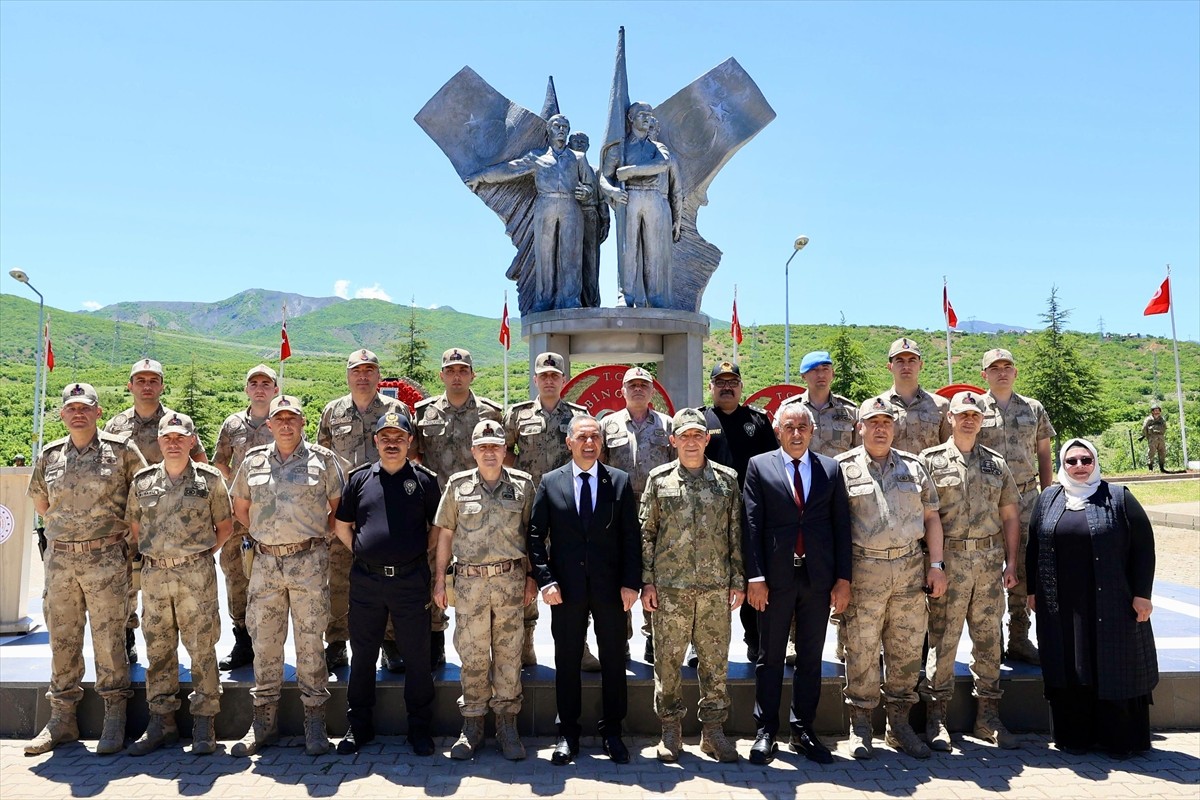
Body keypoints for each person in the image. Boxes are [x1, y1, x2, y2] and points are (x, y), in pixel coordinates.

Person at [24, 383, 148, 756]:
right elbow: (42, 504)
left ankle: (115, 718)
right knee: (62, 640)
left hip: (106, 558)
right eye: (71, 408)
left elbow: (143, 496)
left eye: (85, 407)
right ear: (62, 414)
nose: (78, 413)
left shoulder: (122, 451)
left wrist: (125, 542)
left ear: (98, 412)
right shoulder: (49, 456)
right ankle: (62, 719)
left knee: (110, 640)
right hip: (61, 562)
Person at [230, 395, 346, 757]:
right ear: (269, 425)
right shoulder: (253, 461)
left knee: (311, 643)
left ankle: (315, 722)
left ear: (302, 422)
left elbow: (338, 510)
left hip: (308, 561)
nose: (284, 424)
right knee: (265, 642)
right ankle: (263, 721)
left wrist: (314, 538)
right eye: (278, 419)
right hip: (265, 564)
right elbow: (241, 508)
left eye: (291, 418)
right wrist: (268, 538)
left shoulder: (323, 461)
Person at [1027, 438, 1158, 758]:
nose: (1079, 467)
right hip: (1062, 605)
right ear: (1062, 464)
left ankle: (1119, 741)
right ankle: (1076, 737)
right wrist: (1032, 591)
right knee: (1071, 665)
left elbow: (1144, 547)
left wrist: (1142, 595)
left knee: (1115, 665)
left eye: (1086, 460)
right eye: (1071, 461)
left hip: (1113, 601)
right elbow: (1034, 547)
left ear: (1095, 461)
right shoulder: (1049, 498)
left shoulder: (1118, 497)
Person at [836, 397, 947, 760]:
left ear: (894, 427)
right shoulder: (841, 469)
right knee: (862, 651)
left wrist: (937, 566)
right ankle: (862, 727)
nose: (880, 428)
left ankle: (899, 726)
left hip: (909, 570)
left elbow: (931, 518)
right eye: (873, 422)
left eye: (886, 422)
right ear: (860, 427)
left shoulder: (915, 467)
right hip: (864, 570)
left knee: (906, 650)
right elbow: (832, 528)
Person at [528, 416, 641, 765]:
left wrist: (631, 583)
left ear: (602, 443)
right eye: (582, 437)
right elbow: (535, 536)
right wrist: (546, 580)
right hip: (566, 590)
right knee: (566, 661)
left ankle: (612, 733)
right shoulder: (550, 482)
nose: (589, 443)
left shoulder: (619, 482)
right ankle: (568, 735)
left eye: (595, 437)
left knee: (612, 661)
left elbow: (630, 539)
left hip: (610, 591)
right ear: (569, 442)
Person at [743, 403, 850, 765]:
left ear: (812, 430)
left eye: (803, 426)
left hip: (817, 579)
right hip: (774, 580)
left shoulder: (831, 470)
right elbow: (752, 526)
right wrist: (755, 577)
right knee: (769, 657)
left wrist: (843, 579)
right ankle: (766, 731)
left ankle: (803, 730)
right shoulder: (759, 466)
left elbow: (841, 527)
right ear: (778, 430)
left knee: (810, 658)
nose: (797, 432)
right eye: (790, 426)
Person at [640, 408, 745, 763]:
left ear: (706, 439)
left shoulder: (728, 480)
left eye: (696, 435)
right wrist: (647, 582)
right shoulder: (659, 479)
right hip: (670, 590)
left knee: (715, 663)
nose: (690, 442)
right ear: (673, 441)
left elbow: (735, 535)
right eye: (683, 436)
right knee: (667, 664)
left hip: (715, 588)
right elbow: (647, 534)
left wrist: (737, 581)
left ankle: (713, 731)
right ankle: (670, 729)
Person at [125, 412, 233, 756]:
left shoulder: (210, 479)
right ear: (159, 441)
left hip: (196, 575)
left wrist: (195, 555)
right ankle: (161, 721)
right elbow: (137, 529)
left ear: (191, 441)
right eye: (167, 437)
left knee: (202, 647)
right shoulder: (142, 482)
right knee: (157, 649)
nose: (173, 443)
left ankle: (205, 722)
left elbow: (225, 527)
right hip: (155, 577)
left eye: (180, 437)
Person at [333, 412, 439, 757]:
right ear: (375, 441)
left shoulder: (424, 480)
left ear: (410, 441)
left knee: (417, 657)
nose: (391, 443)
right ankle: (358, 727)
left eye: (399, 437)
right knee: (362, 655)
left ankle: (420, 729)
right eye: (385, 437)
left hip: (410, 581)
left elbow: (437, 528)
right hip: (367, 581)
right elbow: (343, 525)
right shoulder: (359, 479)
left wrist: (416, 555)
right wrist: (365, 553)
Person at [919, 391, 1021, 751]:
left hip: (990, 565)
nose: (968, 420)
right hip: (949, 563)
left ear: (982, 420)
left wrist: (1012, 562)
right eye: (962, 414)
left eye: (974, 415)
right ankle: (937, 719)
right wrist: (933, 565)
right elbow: (924, 517)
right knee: (943, 641)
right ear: (950, 418)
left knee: (989, 641)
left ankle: (988, 718)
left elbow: (1010, 515)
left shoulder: (996, 463)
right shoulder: (929, 461)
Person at [433, 420, 537, 761]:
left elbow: (531, 534)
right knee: (473, 655)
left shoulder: (522, 485)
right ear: (473, 451)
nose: (490, 452)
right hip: (469, 584)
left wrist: (533, 577)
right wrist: (439, 581)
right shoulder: (457, 485)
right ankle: (473, 724)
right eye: (483, 446)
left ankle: (508, 725)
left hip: (510, 582)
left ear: (505, 450)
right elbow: (445, 534)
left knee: (509, 655)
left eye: (496, 446)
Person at [105, 358, 207, 665]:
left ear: (162, 385)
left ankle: (176, 639)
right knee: (124, 579)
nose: (147, 386)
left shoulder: (176, 423)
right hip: (129, 517)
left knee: (167, 583)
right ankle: (127, 633)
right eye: (141, 380)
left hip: (173, 520)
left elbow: (201, 463)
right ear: (130, 385)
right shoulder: (115, 425)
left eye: (153, 380)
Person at [411, 347, 503, 672]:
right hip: (436, 511)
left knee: (483, 577)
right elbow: (414, 458)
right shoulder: (423, 414)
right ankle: (436, 641)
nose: (457, 375)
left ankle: (489, 648)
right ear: (442, 375)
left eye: (463, 370)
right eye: (450, 370)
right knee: (435, 575)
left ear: (472, 374)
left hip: (480, 510)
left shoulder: (492, 414)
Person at [318, 348, 409, 672]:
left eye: (369, 370)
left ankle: (390, 642)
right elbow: (324, 463)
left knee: (388, 577)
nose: (363, 376)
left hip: (387, 508)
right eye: (357, 370)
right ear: (348, 375)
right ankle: (337, 643)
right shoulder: (333, 411)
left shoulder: (395, 409)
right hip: (344, 508)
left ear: (377, 375)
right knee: (338, 578)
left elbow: (414, 457)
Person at [502, 351, 590, 665]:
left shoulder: (578, 415)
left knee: (573, 574)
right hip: (527, 504)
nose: (549, 380)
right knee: (527, 568)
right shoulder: (517, 414)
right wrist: (523, 475)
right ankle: (526, 645)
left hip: (567, 505)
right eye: (544, 375)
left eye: (555, 375)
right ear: (536, 379)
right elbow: (505, 450)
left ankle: (578, 647)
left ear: (563, 380)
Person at [778, 349, 860, 666]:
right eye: (814, 370)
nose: (821, 374)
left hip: (839, 501)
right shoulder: (789, 410)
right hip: (801, 501)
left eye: (826, 368)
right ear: (804, 376)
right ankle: (792, 640)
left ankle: (843, 641)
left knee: (841, 568)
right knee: (797, 569)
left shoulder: (849, 412)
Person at [975, 348, 1055, 665]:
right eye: (994, 368)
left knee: (1022, 569)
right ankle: (990, 642)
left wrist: (1048, 496)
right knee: (987, 574)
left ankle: (1019, 639)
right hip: (986, 502)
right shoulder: (975, 409)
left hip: (1026, 499)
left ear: (1015, 372)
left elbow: (1045, 453)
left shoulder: (1033, 408)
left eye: (1007, 366)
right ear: (985, 374)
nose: (1002, 372)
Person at [467, 114, 590, 311]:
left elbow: (590, 186)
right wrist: (481, 176)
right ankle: (544, 300)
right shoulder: (537, 157)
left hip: (570, 206)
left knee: (571, 255)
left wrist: (586, 191)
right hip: (545, 205)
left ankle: (570, 300)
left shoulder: (578, 158)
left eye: (565, 127)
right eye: (557, 126)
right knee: (545, 255)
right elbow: (509, 170)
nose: (561, 130)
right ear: (548, 130)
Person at [701, 360, 776, 663]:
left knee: (751, 578)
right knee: (707, 579)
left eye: (733, 382)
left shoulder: (756, 421)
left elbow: (772, 466)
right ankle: (702, 645)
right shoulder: (700, 419)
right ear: (711, 387)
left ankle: (755, 641)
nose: (727, 387)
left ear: (741, 387)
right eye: (721, 382)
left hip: (750, 514)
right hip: (709, 516)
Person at [601, 366, 673, 664]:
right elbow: (599, 468)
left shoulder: (668, 425)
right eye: (633, 385)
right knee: (621, 573)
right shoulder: (607, 425)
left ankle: (653, 637)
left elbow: (675, 468)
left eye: (644, 384)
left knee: (654, 572)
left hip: (657, 510)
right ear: (623, 391)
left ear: (652, 391)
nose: (638, 389)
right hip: (619, 510)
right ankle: (623, 638)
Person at [211, 363, 279, 672]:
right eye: (254, 383)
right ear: (247, 389)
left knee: (275, 578)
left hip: (275, 516)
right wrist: (239, 485)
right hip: (238, 516)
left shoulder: (284, 420)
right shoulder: (233, 424)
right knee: (236, 575)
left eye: (267, 383)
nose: (260, 388)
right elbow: (220, 462)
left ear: (275, 390)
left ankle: (271, 639)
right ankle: (242, 641)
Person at [600, 101, 682, 308]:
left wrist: (631, 171)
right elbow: (604, 177)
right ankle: (625, 294)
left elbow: (662, 165)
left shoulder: (658, 148)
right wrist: (612, 191)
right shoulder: (620, 148)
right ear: (630, 118)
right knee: (628, 249)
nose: (647, 118)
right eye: (642, 114)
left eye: (649, 114)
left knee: (653, 249)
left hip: (653, 198)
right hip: (630, 197)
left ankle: (655, 296)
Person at [870, 338, 950, 456]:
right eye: (900, 361)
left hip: (930, 473)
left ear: (920, 365)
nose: (906, 366)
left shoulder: (941, 406)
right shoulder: (875, 407)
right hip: (890, 473)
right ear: (889, 366)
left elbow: (948, 447)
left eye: (912, 360)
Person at [568, 131, 611, 308]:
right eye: (576, 141)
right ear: (569, 144)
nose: (579, 144)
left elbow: (602, 199)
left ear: (588, 146)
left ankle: (592, 303)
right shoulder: (563, 168)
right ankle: (571, 299)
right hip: (568, 216)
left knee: (591, 262)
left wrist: (605, 221)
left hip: (590, 216)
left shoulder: (595, 171)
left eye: (583, 142)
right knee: (570, 259)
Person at [1142, 404, 1168, 472]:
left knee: (1162, 452)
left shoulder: (1162, 419)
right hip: (1152, 438)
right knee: (1151, 453)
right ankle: (1150, 468)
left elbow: (1165, 427)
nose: (1157, 412)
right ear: (1152, 411)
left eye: (1158, 411)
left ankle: (1162, 468)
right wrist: (1148, 437)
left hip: (1161, 437)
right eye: (1155, 411)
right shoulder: (1148, 420)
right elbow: (1144, 428)